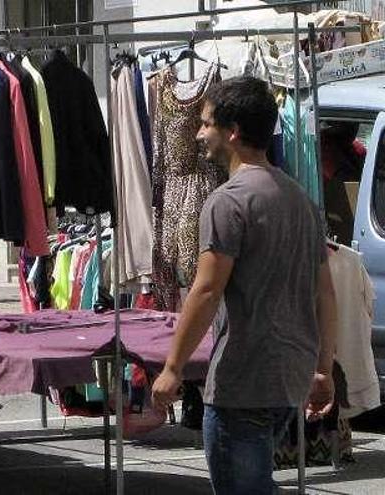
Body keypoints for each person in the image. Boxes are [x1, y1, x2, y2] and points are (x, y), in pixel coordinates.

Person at [152, 76, 338, 494]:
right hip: (288, 376)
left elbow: (205, 290)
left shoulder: (227, 201)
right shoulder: (301, 200)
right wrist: (323, 368)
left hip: (244, 380)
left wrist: (172, 369)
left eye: (205, 124)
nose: (199, 134)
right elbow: (325, 292)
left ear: (232, 132)